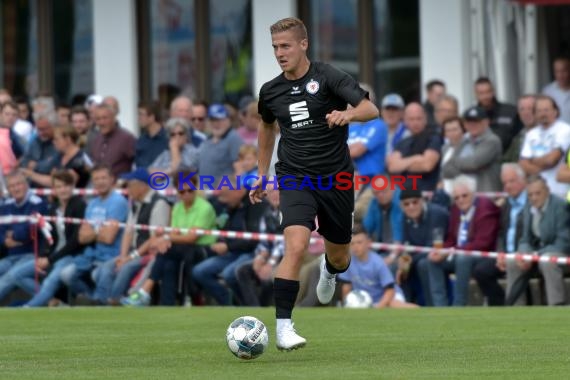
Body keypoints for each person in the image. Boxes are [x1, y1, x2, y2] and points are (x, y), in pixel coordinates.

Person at [249, 17, 379, 351]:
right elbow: (266, 127)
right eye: (275, 47)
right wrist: (262, 173)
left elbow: (370, 108)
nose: (280, 53)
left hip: (336, 179)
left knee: (339, 257)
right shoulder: (270, 90)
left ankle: (330, 271)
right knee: (295, 245)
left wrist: (347, 115)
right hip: (294, 176)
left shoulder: (328, 76)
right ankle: (283, 328)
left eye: (286, 46)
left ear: (303, 44)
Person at [338, 225, 417, 309]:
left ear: (368, 243)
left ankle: (418, 310)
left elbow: (390, 290)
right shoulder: (347, 262)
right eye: (352, 243)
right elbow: (346, 286)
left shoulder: (378, 262)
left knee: (393, 304)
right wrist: (346, 305)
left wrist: (378, 308)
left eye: (359, 242)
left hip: (388, 297)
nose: (355, 246)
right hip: (366, 300)